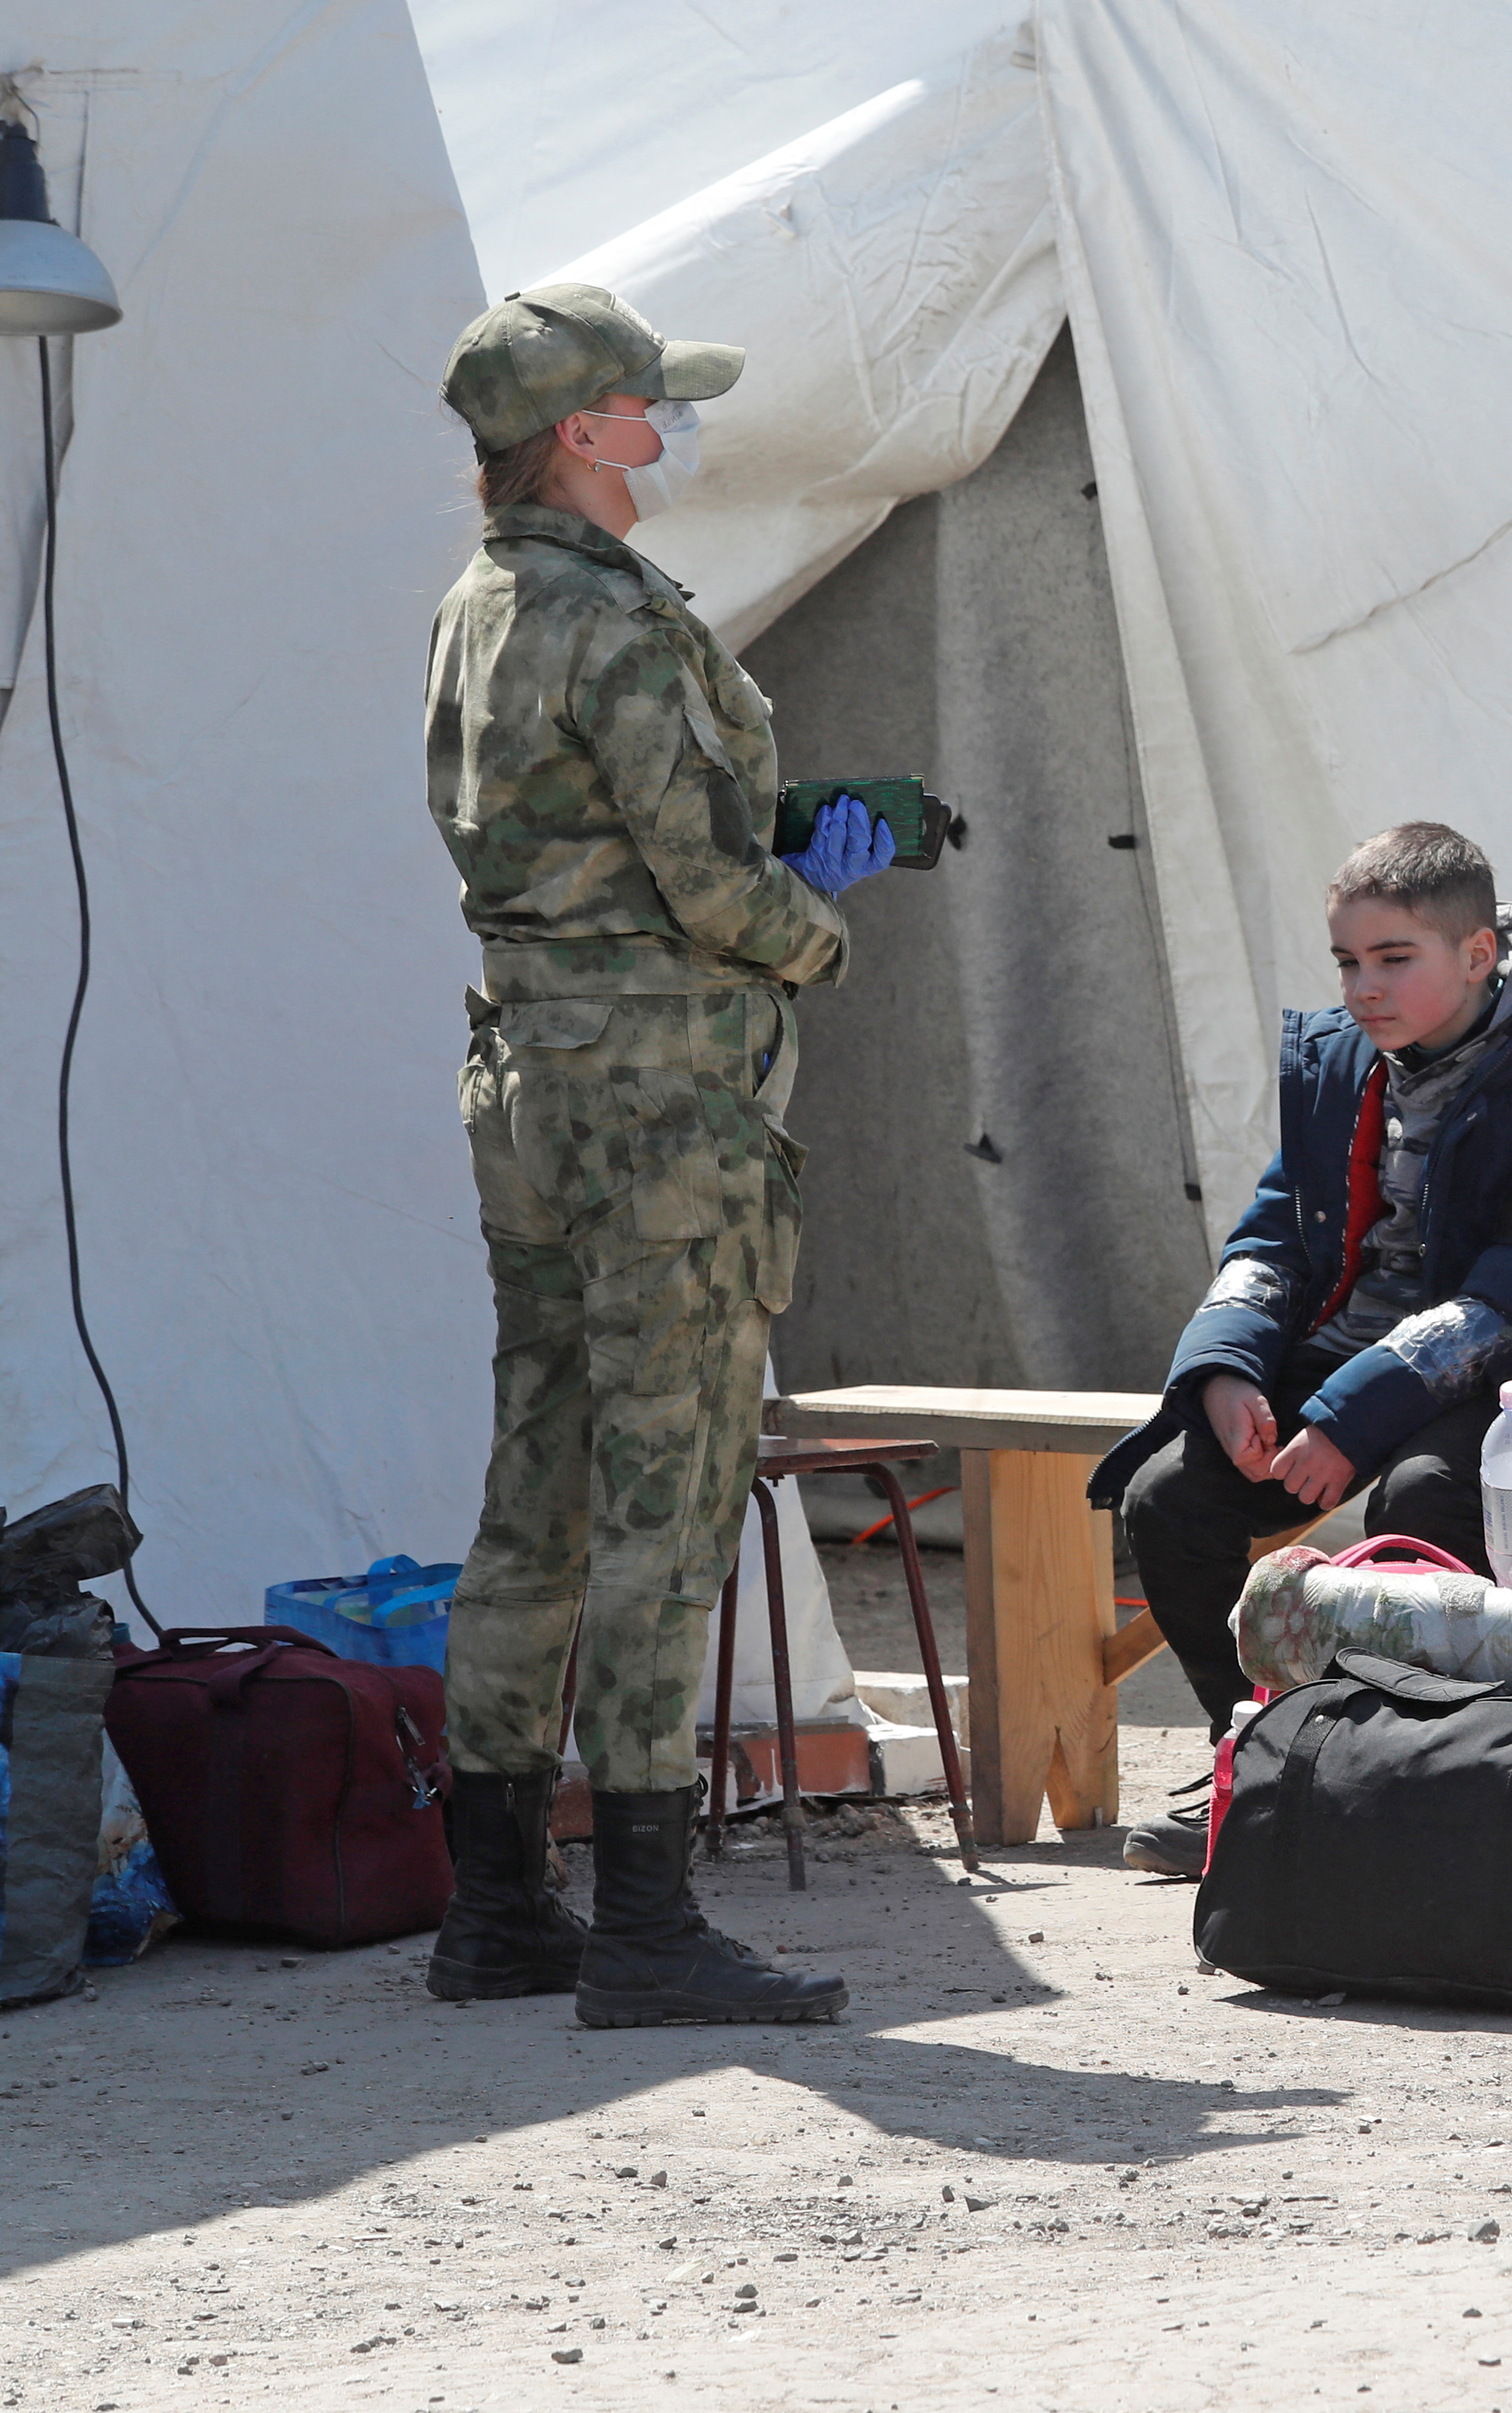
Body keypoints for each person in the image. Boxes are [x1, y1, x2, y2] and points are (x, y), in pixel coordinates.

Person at [421, 283, 898, 2027]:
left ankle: (493, 1910)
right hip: (660, 1108)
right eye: (652, 405)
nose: (673, 431)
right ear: (586, 431)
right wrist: (820, 917)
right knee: (665, 1501)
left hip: (532, 1082)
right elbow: (708, 885)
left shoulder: (480, 607)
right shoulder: (619, 623)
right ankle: (642, 1922)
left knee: (533, 1488)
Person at [1088, 822, 1512, 1875]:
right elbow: (1275, 1234)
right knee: (1170, 1500)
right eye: (1349, 962)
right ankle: (1257, 1755)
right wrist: (1224, 1371)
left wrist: (1351, 1419)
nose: (1365, 987)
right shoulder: (1339, 1060)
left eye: (1395, 959)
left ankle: (1408, 1771)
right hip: (1352, 1357)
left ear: (1479, 955)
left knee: (1425, 1502)